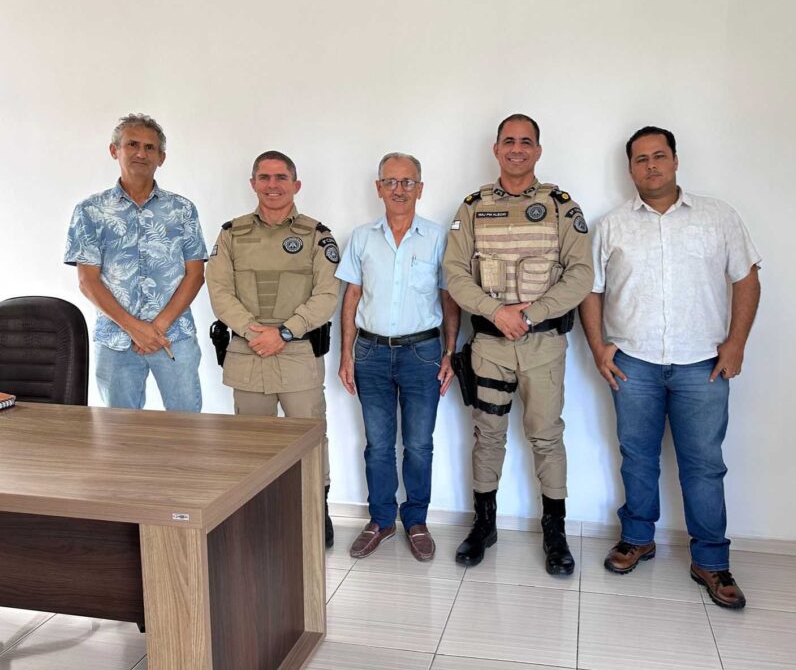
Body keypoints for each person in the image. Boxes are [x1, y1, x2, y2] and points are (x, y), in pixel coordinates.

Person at [579, 126, 761, 609]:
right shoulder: (612, 225)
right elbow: (590, 290)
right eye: (641, 159)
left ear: (676, 161)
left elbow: (746, 278)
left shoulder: (718, 217)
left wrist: (736, 344)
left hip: (703, 365)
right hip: (632, 364)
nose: (651, 165)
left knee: (704, 465)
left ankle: (711, 560)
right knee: (637, 457)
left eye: (659, 156)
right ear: (630, 169)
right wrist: (598, 348)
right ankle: (637, 538)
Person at [443, 114, 593, 575]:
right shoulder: (473, 207)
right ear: (496, 149)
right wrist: (496, 312)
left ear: (538, 151)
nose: (517, 148)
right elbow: (454, 274)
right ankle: (483, 524)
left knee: (546, 436)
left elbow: (581, 275)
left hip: (542, 344)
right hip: (488, 345)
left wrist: (528, 314)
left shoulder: (560, 206)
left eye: (526, 142)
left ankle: (555, 532)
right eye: (509, 141)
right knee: (487, 435)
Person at [206, 150, 340, 547]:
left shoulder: (317, 235)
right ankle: (256, 516)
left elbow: (327, 295)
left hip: (297, 354)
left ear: (296, 185)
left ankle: (317, 511)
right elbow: (219, 291)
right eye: (264, 177)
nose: (273, 185)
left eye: (281, 177)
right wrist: (254, 332)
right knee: (251, 443)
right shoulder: (232, 234)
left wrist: (283, 332)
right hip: (249, 353)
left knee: (310, 439)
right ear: (253, 184)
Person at [336, 152, 459, 561]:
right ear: (379, 188)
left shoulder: (438, 238)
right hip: (370, 353)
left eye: (407, 182)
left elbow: (449, 298)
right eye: (390, 181)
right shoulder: (362, 237)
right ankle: (382, 519)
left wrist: (449, 352)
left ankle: (417, 520)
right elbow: (351, 296)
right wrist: (346, 354)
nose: (399, 189)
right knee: (378, 445)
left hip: (423, 353)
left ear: (420, 188)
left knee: (419, 445)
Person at [64, 113, 206, 411]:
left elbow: (195, 274)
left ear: (161, 158)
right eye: (132, 144)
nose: (141, 153)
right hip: (115, 341)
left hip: (174, 338)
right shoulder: (90, 211)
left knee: (186, 428)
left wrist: (157, 327)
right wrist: (134, 328)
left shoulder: (182, 210)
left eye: (150, 147)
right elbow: (87, 281)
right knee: (118, 431)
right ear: (114, 150)